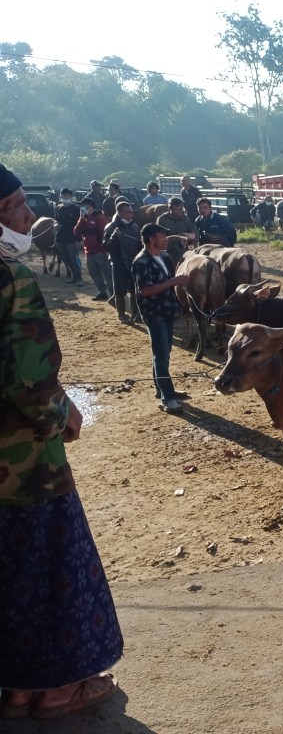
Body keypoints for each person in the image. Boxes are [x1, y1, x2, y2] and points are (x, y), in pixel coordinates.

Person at [0, 164, 123, 720]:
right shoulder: (11, 280)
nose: (28, 217)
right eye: (15, 208)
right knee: (51, 565)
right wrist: (61, 416)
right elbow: (29, 380)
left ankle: (19, 687)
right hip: (26, 462)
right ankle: (56, 689)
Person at [131, 223, 190, 413]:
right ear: (151, 240)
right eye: (162, 236)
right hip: (153, 312)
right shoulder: (141, 261)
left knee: (163, 352)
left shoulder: (163, 257)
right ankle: (167, 397)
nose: (165, 239)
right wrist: (174, 281)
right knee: (161, 354)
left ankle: (161, 388)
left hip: (166, 311)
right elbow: (146, 290)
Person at [102, 199, 142, 324]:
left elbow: (139, 245)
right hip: (119, 263)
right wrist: (114, 237)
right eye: (127, 212)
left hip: (133, 263)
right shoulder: (111, 227)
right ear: (119, 213)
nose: (131, 214)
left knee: (135, 290)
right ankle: (122, 315)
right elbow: (106, 246)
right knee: (120, 291)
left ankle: (136, 314)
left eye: (131, 212)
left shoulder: (135, 227)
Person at [73, 197, 110, 301]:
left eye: (83, 206)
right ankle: (102, 292)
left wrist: (104, 249)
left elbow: (103, 233)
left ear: (89, 207)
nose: (81, 208)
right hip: (89, 250)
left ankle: (113, 294)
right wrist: (81, 219)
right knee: (93, 272)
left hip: (100, 250)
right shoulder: (84, 218)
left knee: (106, 273)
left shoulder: (99, 217)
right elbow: (76, 231)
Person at [53, 188, 83, 285]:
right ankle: (74, 276)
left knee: (74, 259)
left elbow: (81, 225)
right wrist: (55, 225)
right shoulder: (58, 208)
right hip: (60, 238)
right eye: (64, 195)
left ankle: (79, 278)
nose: (66, 197)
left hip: (72, 239)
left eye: (68, 195)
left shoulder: (76, 208)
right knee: (66, 259)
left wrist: (79, 240)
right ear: (60, 196)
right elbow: (56, 221)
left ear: (71, 196)